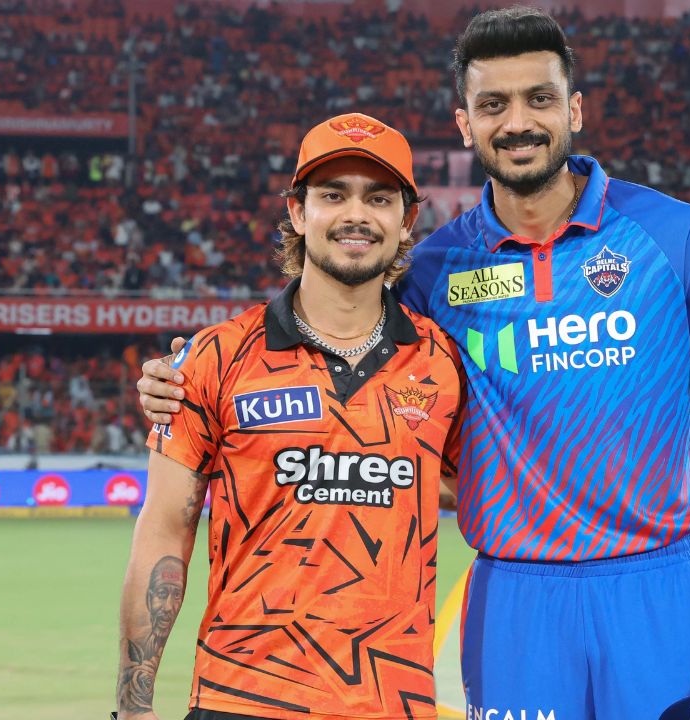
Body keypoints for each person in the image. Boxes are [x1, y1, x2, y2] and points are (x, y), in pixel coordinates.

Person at [138, 9, 690, 720]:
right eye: (494, 104)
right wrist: (186, 372)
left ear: (574, 109)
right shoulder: (433, 272)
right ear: (465, 123)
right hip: (514, 599)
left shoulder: (673, 236)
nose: (518, 122)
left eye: (539, 98)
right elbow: (330, 332)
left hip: (660, 588)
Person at [116, 113, 463, 720]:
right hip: (240, 697)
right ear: (298, 212)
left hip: (392, 704)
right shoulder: (216, 356)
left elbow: (486, 492)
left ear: (406, 221)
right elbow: (165, 528)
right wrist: (133, 706)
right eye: (333, 195)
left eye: (378, 198)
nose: (356, 215)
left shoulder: (442, 361)